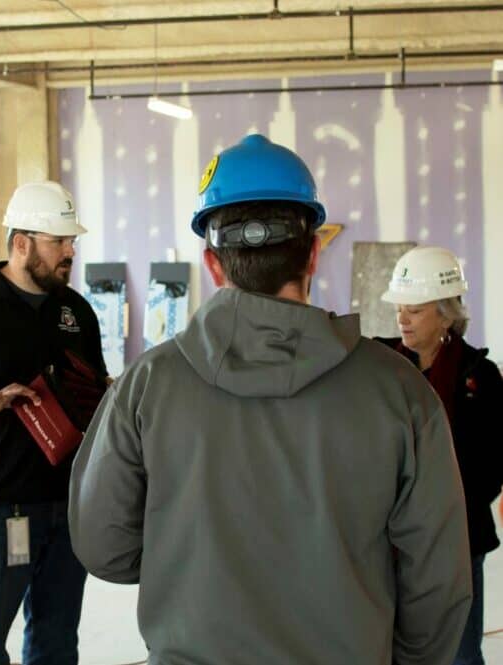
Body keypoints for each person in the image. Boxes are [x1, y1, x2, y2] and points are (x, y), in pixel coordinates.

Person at [68, 134, 473, 665]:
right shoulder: (401, 392)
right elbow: (439, 578)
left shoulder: (146, 386)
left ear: (212, 264)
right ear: (314, 253)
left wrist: (188, 559)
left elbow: (104, 546)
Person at [0, 181, 107, 665]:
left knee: (56, 642)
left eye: (71, 242)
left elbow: (94, 388)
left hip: (67, 503)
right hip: (1, 508)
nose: (70, 252)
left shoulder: (76, 312)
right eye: (59, 242)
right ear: (22, 243)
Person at [379, 245, 503, 665]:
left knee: (461, 655)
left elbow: (490, 470)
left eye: (414, 310)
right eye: (399, 309)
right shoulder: (383, 367)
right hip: (392, 539)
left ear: (446, 314)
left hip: (458, 539)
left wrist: (437, 511)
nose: (402, 319)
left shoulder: (480, 379)